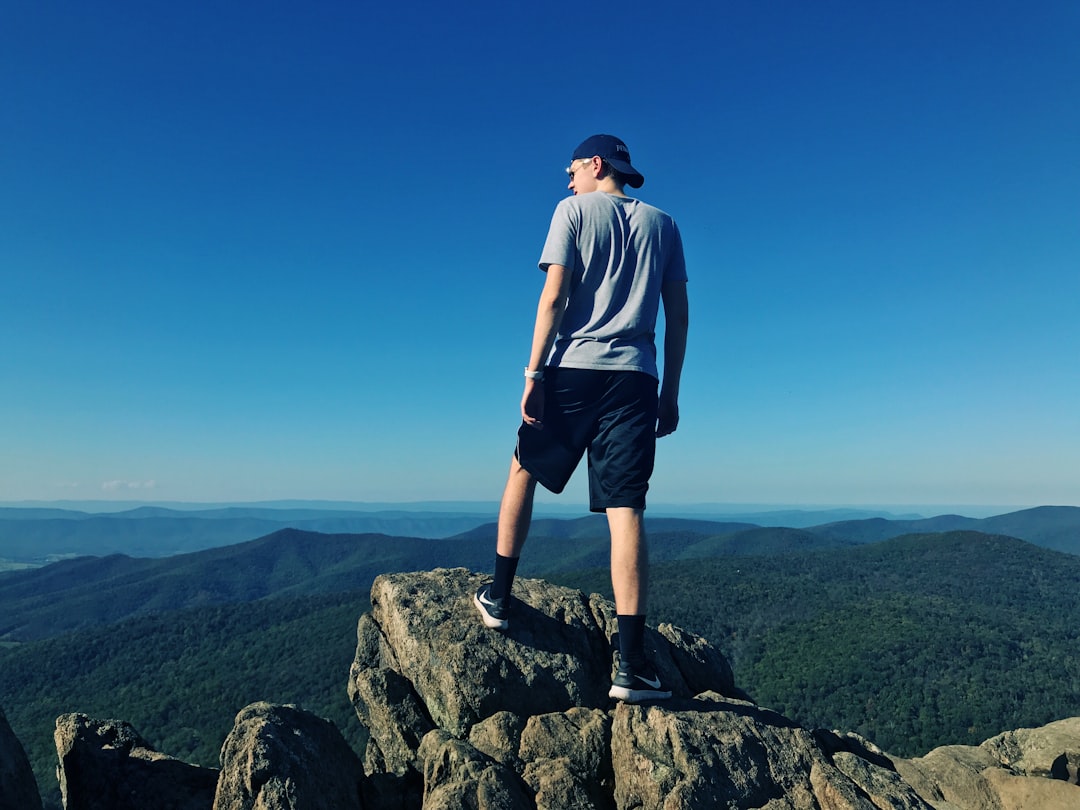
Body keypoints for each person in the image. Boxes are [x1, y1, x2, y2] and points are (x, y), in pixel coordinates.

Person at [473, 134, 689, 703]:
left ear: (596, 165)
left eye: (570, 169)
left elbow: (553, 298)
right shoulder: (664, 225)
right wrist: (669, 392)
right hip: (637, 377)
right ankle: (631, 665)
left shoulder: (572, 211)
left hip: (573, 368)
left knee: (523, 468)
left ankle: (497, 597)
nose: (567, 181)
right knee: (626, 510)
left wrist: (533, 374)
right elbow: (679, 316)